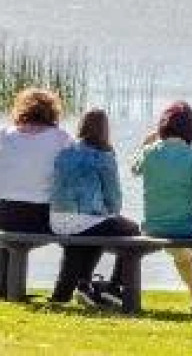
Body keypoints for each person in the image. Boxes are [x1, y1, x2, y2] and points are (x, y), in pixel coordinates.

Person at [48, 108, 142, 307]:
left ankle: (79, 287)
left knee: (94, 230)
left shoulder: (65, 152)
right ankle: (114, 288)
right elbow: (114, 199)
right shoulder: (103, 155)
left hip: (57, 220)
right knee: (132, 230)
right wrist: (111, 212)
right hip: (85, 220)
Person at [131, 100, 192, 311]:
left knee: (181, 254)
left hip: (156, 227)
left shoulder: (149, 152)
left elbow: (134, 169)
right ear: (191, 129)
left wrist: (146, 143)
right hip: (191, 228)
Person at [0, 86, 73, 236]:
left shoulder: (4, 135)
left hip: (5, 214)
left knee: (4, 232)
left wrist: (4, 195)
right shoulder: (62, 138)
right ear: (53, 112)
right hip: (44, 215)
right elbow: (71, 181)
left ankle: (5, 260)